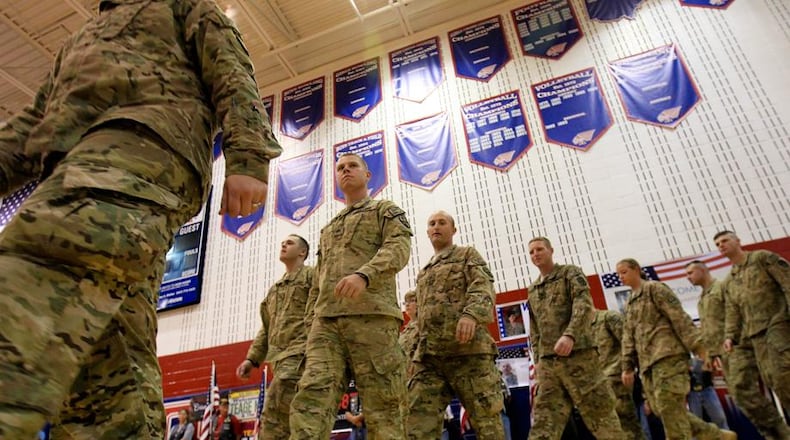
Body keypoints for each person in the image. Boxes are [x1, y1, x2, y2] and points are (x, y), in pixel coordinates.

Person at [0, 1, 281, 437]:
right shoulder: (78, 39)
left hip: (144, 150)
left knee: (29, 278)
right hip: (78, 165)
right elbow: (34, 125)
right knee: (106, 365)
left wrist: (248, 157)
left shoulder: (178, 4)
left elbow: (229, 67)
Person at [289, 153, 412, 439]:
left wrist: (364, 275)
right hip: (326, 325)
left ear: (367, 175)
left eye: (352, 166)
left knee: (385, 407)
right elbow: (318, 281)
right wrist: (311, 323)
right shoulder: (328, 229)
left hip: (372, 319)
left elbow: (398, 248)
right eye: (340, 168)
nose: (345, 171)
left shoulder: (384, 210)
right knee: (310, 400)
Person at [406, 211, 504, 440]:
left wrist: (471, 315)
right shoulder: (424, 273)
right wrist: (412, 355)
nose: (436, 227)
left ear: (453, 229)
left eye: (442, 223)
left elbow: (483, 286)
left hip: (468, 354)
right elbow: (421, 321)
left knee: (487, 422)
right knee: (416, 424)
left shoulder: (466, 255)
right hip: (431, 360)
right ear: (428, 232)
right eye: (432, 224)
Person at [617, 258, 736, 440]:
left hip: (669, 356)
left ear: (636, 270)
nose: (620, 277)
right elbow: (628, 338)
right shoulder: (630, 303)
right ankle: (715, 434)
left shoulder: (655, 289)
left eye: (624, 272)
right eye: (618, 274)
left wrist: (699, 348)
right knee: (661, 409)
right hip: (647, 365)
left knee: (669, 407)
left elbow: (679, 318)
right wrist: (627, 366)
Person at [526, 237, 624, 440]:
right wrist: (538, 361)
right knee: (544, 423)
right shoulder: (533, 290)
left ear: (551, 250)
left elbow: (584, 305)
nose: (536, 254)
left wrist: (570, 335)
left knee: (602, 418)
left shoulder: (570, 273)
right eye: (532, 251)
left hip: (580, 359)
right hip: (549, 365)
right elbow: (535, 330)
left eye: (539, 249)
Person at [688, 253, 789, 440]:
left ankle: (781, 432)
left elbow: (735, 312)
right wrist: (709, 355)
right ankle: (776, 434)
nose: (688, 276)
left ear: (703, 270)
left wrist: (732, 338)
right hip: (722, 351)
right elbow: (709, 330)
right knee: (740, 396)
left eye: (691, 272)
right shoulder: (702, 299)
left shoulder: (721, 288)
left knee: (748, 388)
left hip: (739, 345)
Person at [236, 235, 313, 440]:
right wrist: (252, 359)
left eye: (289, 243)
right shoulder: (275, 290)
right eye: (282, 243)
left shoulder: (312, 276)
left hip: (301, 356)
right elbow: (267, 328)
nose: (283, 245)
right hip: (278, 360)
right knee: (289, 421)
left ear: (302, 252)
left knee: (274, 417)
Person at [717, 231, 790, 411]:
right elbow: (733, 311)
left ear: (737, 240)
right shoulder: (729, 281)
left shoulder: (762, 259)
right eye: (717, 244)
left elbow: (787, 283)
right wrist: (730, 337)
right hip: (756, 335)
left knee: (783, 373)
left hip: (778, 323)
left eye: (725, 240)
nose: (721, 245)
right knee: (772, 379)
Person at [591, 309, 646, 440]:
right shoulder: (580, 331)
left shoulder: (608, 317)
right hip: (599, 387)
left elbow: (629, 344)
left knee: (629, 429)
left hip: (618, 382)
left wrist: (629, 368)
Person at [688, 356, 730, 429]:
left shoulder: (705, 351)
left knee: (720, 418)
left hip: (707, 388)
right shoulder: (683, 353)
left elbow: (713, 369)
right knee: (695, 424)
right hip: (692, 392)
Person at [399, 290, 419, 377]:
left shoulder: (423, 326)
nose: (407, 304)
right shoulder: (405, 329)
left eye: (412, 301)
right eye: (406, 302)